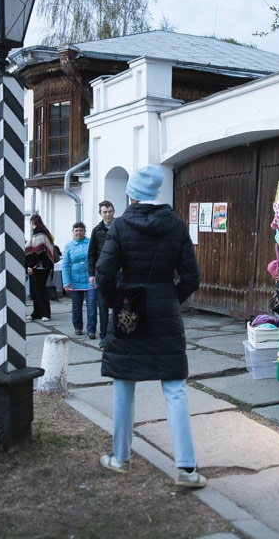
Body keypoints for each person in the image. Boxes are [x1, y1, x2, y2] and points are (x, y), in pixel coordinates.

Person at [95, 165, 204, 488]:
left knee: (124, 383)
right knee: (175, 387)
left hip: (130, 308)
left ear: (132, 193)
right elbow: (191, 277)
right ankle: (186, 469)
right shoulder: (176, 226)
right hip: (165, 310)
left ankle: (120, 458)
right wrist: (170, 297)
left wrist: (118, 301)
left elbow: (103, 272)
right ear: (156, 192)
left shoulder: (121, 225)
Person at [63, 222, 96, 338]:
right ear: (73, 232)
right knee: (76, 306)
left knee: (91, 305)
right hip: (75, 281)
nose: (78, 233)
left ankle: (91, 330)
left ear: (84, 232)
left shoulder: (91, 242)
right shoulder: (68, 246)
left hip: (90, 280)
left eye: (81, 230)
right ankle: (78, 327)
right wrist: (66, 282)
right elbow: (65, 266)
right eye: (76, 230)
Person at [87, 200, 115, 339]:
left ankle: (118, 334)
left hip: (118, 272)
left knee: (119, 305)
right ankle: (104, 336)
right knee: (102, 307)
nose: (108, 214)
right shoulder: (96, 231)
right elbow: (91, 254)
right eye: (105, 212)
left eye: (110, 211)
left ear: (113, 212)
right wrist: (91, 274)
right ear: (100, 213)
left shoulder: (120, 227)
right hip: (102, 273)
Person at [24, 214, 55, 322]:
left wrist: (30, 265)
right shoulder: (42, 234)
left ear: (32, 223)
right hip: (40, 267)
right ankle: (36, 313)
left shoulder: (39, 235)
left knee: (40, 290)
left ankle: (45, 313)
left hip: (41, 267)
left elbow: (37, 253)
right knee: (35, 290)